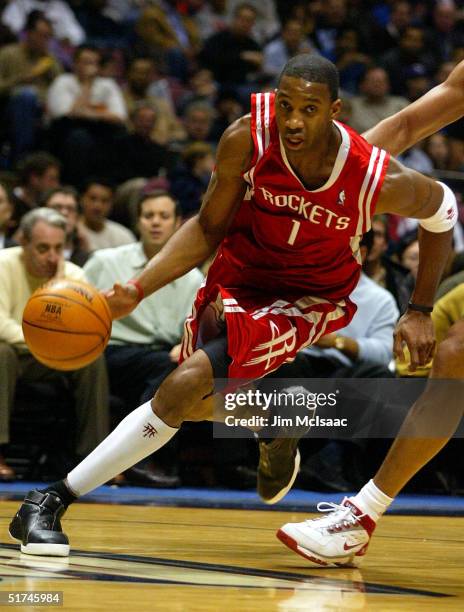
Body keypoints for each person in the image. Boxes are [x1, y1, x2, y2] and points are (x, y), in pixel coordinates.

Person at [8, 54, 456, 558]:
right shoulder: (248, 137)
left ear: (335, 111)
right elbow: (206, 227)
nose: (291, 120)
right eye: (285, 104)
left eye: (308, 109)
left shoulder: (374, 177)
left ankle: (48, 500)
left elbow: (443, 211)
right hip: (239, 278)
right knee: (195, 404)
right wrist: (136, 289)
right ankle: (273, 417)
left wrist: (418, 308)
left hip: (307, 300)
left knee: (180, 387)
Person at [83, 191, 203, 487]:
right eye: (149, 216)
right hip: (112, 351)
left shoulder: (192, 276)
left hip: (160, 354)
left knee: (186, 369)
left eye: (164, 217)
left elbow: (197, 326)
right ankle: (142, 459)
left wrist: (184, 346)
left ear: (178, 223)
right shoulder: (106, 261)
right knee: (164, 368)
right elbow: (78, 303)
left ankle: (232, 465)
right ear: (138, 221)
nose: (155, 223)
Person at [0, 208, 109, 482]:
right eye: (43, 248)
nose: (52, 257)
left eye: (59, 248)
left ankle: (94, 460)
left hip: (58, 358)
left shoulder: (74, 276)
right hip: (18, 355)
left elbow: (87, 330)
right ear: (23, 242)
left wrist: (62, 285)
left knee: (93, 358)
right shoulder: (3, 264)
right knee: (1, 353)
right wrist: (43, 340)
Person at [0, 11, 62, 160]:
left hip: (44, 108)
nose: (45, 41)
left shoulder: (49, 59)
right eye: (41, 35)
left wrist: (51, 63)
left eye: (48, 37)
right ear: (28, 33)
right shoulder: (8, 54)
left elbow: (61, 86)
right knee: (27, 96)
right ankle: (22, 157)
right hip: (10, 106)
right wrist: (19, 80)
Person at [79, 179, 136, 251]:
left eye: (104, 201)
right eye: (92, 199)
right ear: (81, 199)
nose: (98, 206)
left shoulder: (123, 236)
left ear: (112, 204)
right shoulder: (71, 232)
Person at [43, 186, 90, 266]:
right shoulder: (30, 254)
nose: (64, 213)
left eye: (71, 209)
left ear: (78, 217)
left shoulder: (88, 260)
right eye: (57, 207)